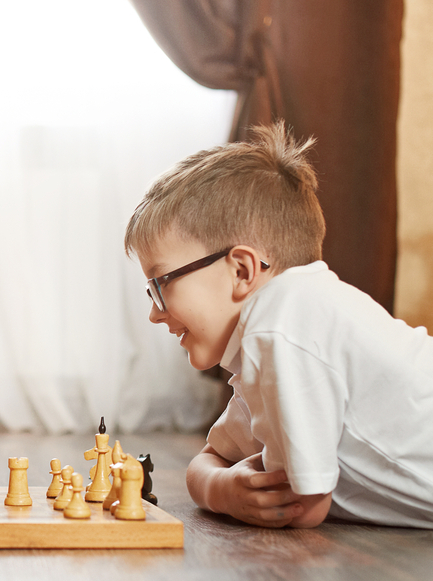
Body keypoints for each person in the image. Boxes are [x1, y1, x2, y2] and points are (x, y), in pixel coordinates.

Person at [123, 122, 433, 529]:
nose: (154, 313)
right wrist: (221, 486)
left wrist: (230, 491)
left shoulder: (283, 322)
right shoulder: (269, 342)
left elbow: (300, 506)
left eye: (160, 285)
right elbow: (211, 458)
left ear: (241, 270)